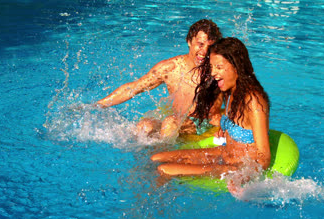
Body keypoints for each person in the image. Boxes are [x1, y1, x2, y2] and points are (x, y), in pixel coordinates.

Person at [151, 37, 271, 193]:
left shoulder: (253, 101)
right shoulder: (230, 92)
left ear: (236, 66)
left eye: (219, 67)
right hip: (223, 153)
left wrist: (242, 177)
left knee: (165, 169)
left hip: (236, 165)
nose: (213, 73)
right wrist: (226, 127)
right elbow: (240, 125)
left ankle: (158, 211)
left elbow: (264, 157)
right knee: (156, 158)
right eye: (212, 67)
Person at [96, 19, 222, 138]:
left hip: (204, 125)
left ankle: (160, 159)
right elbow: (133, 88)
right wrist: (98, 105)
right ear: (189, 41)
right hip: (177, 121)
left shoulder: (219, 70)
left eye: (210, 47)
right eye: (200, 45)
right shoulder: (171, 68)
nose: (204, 51)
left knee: (169, 122)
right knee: (144, 125)